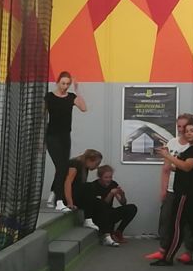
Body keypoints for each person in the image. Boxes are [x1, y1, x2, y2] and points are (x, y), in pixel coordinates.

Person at [151, 120, 193, 267]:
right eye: (186, 131)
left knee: (176, 225)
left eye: (192, 131)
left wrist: (168, 155)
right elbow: (187, 169)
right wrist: (171, 164)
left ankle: (168, 257)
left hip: (187, 193)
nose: (188, 133)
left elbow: (187, 166)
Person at [145, 113, 193, 263]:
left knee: (187, 222)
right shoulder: (172, 143)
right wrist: (163, 189)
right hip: (171, 188)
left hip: (187, 189)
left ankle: (188, 251)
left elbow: (190, 168)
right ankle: (163, 250)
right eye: (178, 126)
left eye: (184, 126)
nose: (181, 129)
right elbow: (166, 168)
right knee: (166, 219)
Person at [45, 71, 87, 211]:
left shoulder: (71, 97)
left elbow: (84, 108)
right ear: (57, 82)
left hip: (65, 136)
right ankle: (59, 201)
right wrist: (40, 139)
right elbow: (41, 117)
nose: (65, 86)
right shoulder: (49, 97)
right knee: (61, 167)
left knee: (62, 167)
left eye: (68, 84)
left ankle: (53, 194)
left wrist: (77, 89)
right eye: (63, 83)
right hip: (52, 136)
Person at [85, 165, 137, 247]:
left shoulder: (113, 184)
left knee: (132, 208)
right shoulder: (93, 186)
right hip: (99, 216)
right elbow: (102, 205)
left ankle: (118, 232)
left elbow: (123, 203)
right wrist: (111, 193)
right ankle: (108, 234)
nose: (109, 179)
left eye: (110, 177)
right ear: (100, 177)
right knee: (105, 211)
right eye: (106, 177)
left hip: (110, 212)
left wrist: (122, 195)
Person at [62, 149, 102, 214]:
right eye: (97, 164)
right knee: (90, 186)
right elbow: (67, 183)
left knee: (99, 203)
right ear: (89, 160)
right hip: (66, 196)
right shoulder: (75, 164)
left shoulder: (85, 167)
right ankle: (88, 216)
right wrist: (70, 203)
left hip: (75, 194)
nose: (97, 167)